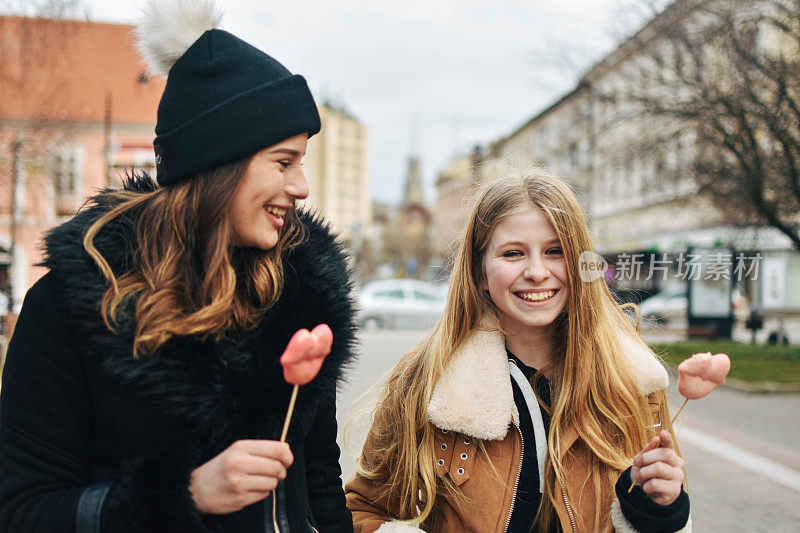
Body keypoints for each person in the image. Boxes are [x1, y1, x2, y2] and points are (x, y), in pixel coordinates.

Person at [0, 1, 356, 531]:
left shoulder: (300, 297)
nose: (301, 187)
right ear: (220, 164)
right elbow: (22, 509)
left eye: (301, 162)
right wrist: (182, 493)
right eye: (284, 162)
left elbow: (320, 485)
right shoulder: (69, 309)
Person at [345, 170, 691, 532]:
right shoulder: (427, 378)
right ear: (479, 271)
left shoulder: (633, 379)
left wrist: (664, 511)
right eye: (513, 253)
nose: (537, 272)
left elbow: (663, 506)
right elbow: (362, 510)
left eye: (555, 251)